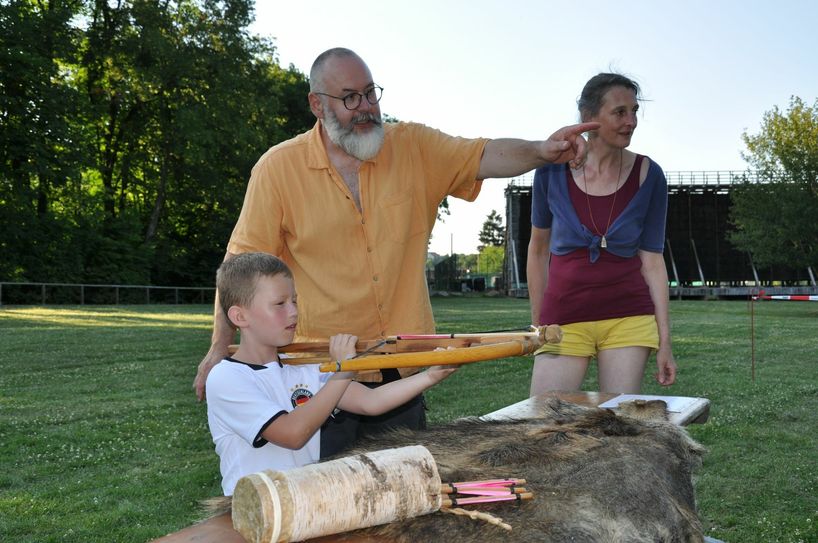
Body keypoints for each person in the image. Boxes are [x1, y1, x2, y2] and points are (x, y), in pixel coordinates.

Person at [194, 46, 598, 458]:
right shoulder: (278, 169)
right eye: (350, 98)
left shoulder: (413, 146)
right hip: (322, 373)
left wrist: (542, 151)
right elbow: (238, 267)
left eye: (371, 93)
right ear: (317, 104)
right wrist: (219, 346)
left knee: (406, 485)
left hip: (402, 370)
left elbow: (483, 154)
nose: (366, 107)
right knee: (329, 488)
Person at [206, 252, 457, 496]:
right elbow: (292, 434)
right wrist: (342, 371)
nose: (293, 311)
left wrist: (431, 375)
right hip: (252, 507)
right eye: (280, 304)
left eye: (294, 301)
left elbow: (371, 401)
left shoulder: (301, 369)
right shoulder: (226, 378)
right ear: (240, 316)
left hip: (304, 500)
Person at [526, 73, 677, 396]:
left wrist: (665, 342)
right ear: (588, 117)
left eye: (634, 111)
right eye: (620, 112)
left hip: (629, 317)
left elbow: (652, 261)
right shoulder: (550, 170)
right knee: (543, 417)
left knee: (617, 419)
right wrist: (538, 326)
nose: (631, 121)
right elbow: (537, 251)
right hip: (563, 317)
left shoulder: (649, 175)